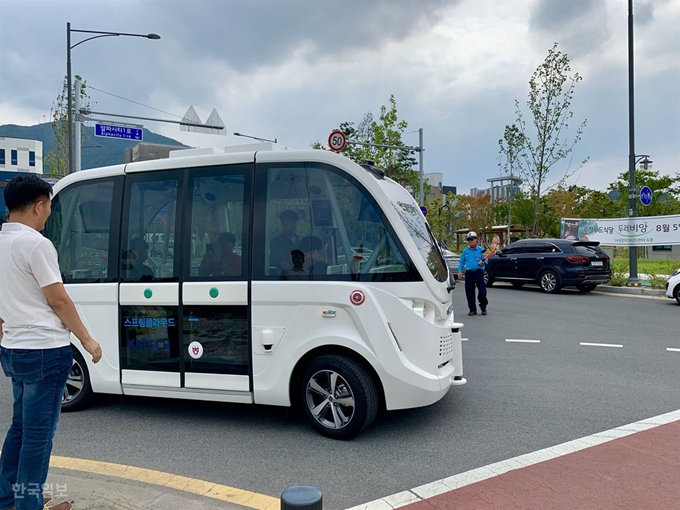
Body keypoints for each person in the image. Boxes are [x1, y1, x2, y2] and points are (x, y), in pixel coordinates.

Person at [0, 175, 102, 510]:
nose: (48, 216)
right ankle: (28, 504)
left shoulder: (2, 241)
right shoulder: (36, 244)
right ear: (39, 205)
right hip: (45, 350)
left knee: (20, 426)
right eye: (49, 209)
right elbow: (58, 300)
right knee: (38, 436)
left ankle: (9, 497)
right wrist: (87, 340)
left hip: (13, 349)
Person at [458, 231, 489, 316]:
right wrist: (460, 271)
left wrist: (484, 262)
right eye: (469, 240)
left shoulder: (481, 250)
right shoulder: (465, 251)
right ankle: (472, 309)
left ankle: (483, 307)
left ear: (476, 240)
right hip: (469, 273)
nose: (470, 241)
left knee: (482, 292)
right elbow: (461, 261)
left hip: (478, 272)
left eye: (472, 239)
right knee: (469, 292)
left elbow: (486, 259)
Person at [270, 210, 303, 274]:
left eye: (295, 221)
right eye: (290, 221)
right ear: (282, 223)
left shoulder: (302, 239)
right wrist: (296, 275)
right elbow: (282, 262)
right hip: (285, 280)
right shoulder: (276, 242)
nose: (293, 224)